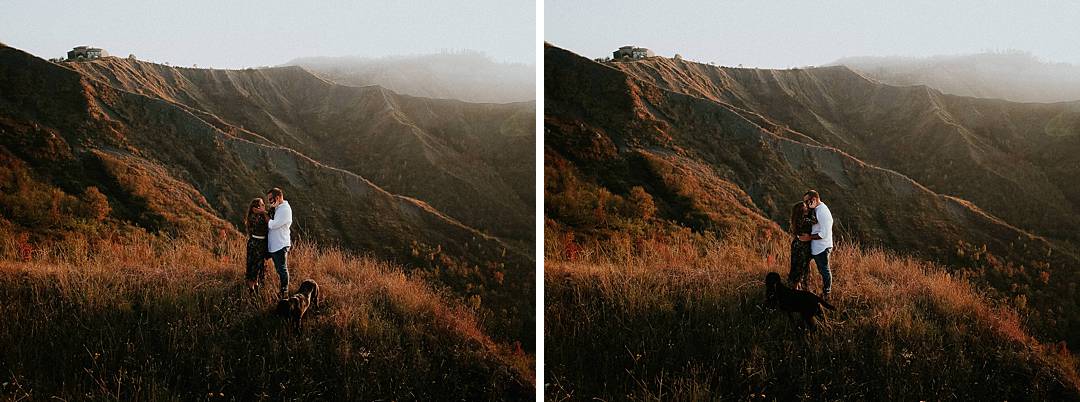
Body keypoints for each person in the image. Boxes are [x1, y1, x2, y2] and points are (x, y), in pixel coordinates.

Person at [799, 190, 834, 299]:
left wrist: (808, 238)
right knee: (806, 268)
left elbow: (823, 234)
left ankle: (826, 293)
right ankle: (805, 288)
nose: (806, 204)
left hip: (822, 247)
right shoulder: (816, 209)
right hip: (815, 246)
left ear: (814, 199)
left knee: (824, 271)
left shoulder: (822, 212)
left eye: (807, 201)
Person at [266, 187, 293, 298]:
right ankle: (282, 290)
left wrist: (264, 214)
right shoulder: (277, 207)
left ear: (277, 197)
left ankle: (284, 291)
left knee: (282, 269)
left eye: (270, 199)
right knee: (279, 269)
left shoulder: (284, 209)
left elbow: (273, 224)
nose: (269, 202)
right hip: (274, 244)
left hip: (280, 244)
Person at [243, 198, 271, 294]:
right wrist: (263, 212)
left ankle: (256, 289)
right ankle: (252, 290)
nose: (264, 206)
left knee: (259, 267)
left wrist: (263, 212)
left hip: (260, 244)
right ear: (257, 207)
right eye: (262, 204)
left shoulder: (260, 215)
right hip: (256, 244)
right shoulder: (255, 217)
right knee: (254, 267)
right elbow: (270, 223)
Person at [787, 201, 815, 290]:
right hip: (802, 246)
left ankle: (795, 287)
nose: (807, 207)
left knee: (795, 266)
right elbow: (815, 221)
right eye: (805, 206)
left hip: (796, 244)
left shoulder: (797, 219)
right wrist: (812, 209)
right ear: (802, 210)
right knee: (802, 267)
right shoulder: (805, 220)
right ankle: (801, 288)